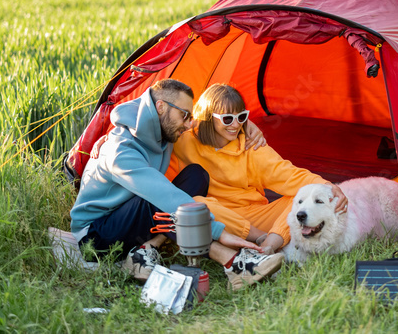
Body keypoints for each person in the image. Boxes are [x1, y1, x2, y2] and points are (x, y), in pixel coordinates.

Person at [69, 78, 284, 290]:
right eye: (184, 116)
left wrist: (246, 124)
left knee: (196, 176)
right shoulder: (120, 151)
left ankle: (144, 251)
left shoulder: (164, 129)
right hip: (95, 237)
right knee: (163, 202)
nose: (189, 123)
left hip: (132, 215)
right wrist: (218, 231)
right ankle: (234, 263)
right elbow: (166, 197)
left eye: (190, 116)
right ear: (160, 107)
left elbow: (205, 125)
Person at [168, 83, 348, 255]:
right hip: (217, 216)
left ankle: (269, 245)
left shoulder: (251, 147)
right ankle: (257, 237)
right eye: (228, 119)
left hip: (255, 214)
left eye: (242, 117)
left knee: (299, 197)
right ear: (208, 117)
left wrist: (327, 186)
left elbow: (288, 175)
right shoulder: (183, 141)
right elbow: (169, 107)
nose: (236, 125)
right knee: (195, 204)